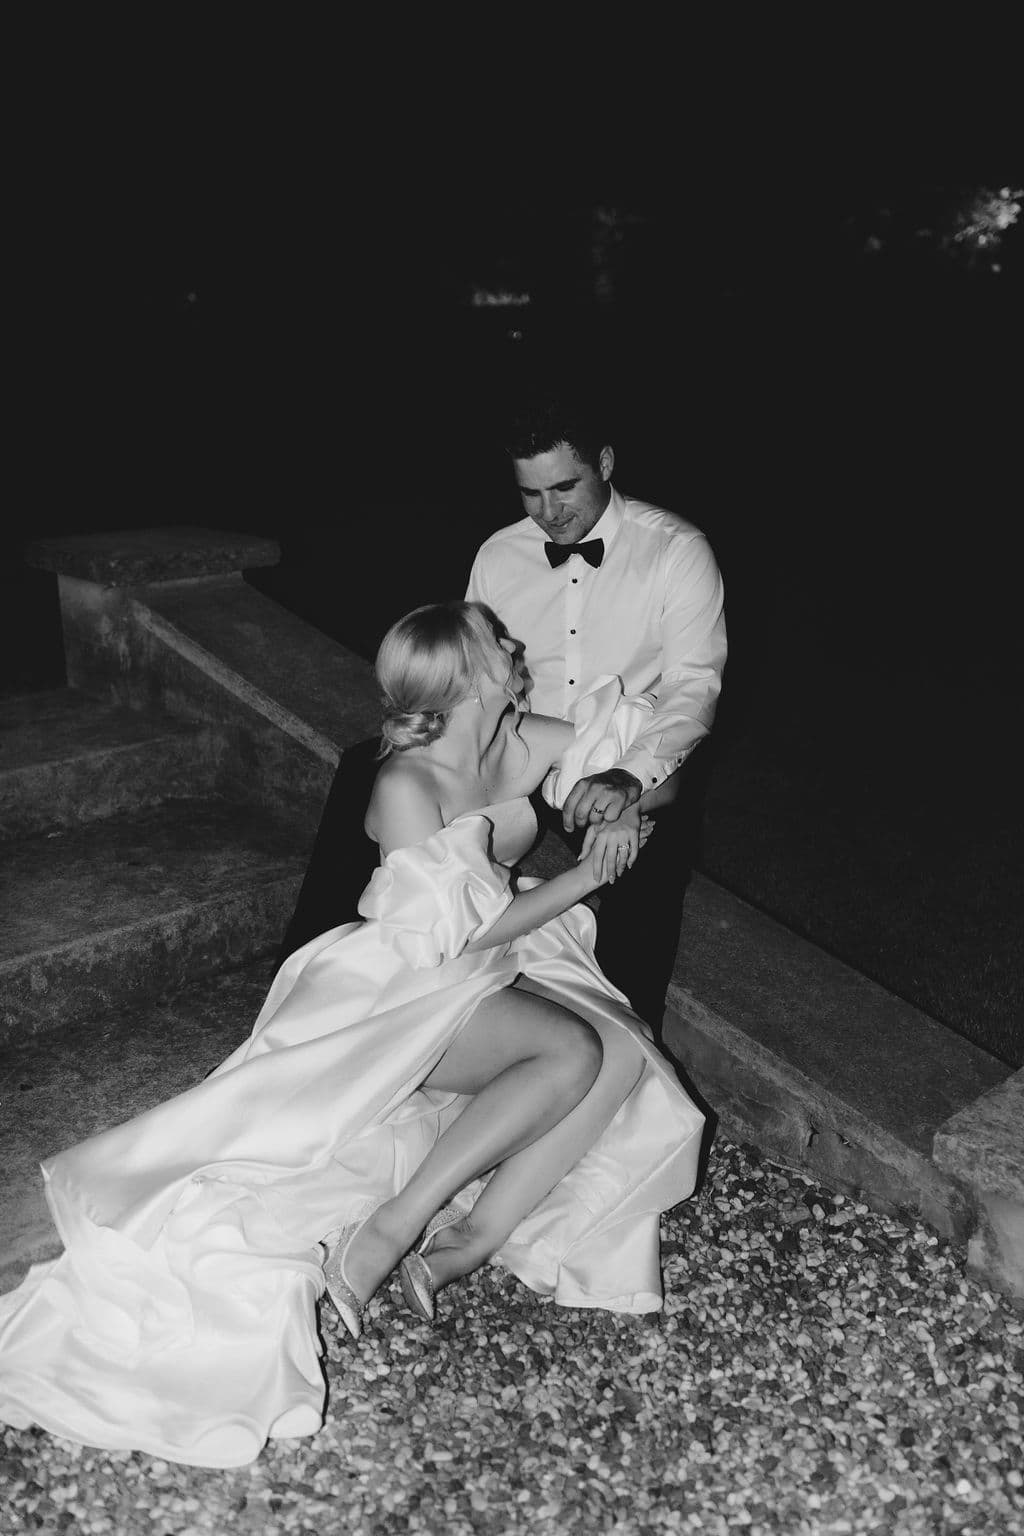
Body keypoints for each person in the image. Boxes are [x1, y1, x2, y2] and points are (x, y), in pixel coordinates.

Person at [0, 602, 705, 1469]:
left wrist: (627, 800)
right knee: (571, 1052)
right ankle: (393, 1229)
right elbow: (456, 937)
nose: (515, 644)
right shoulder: (404, 783)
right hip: (403, 984)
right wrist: (586, 876)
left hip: (493, 958)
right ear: (467, 676)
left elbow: (654, 760)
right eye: (497, 641)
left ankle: (462, 1248)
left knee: (626, 1052)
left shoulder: (522, 739)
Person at [465, 394, 728, 1035]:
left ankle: (626, 1055)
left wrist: (629, 780)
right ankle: (327, 1000)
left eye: (564, 487)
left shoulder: (676, 549)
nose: (549, 512)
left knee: (644, 879)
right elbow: (472, 675)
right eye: (530, 494)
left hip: (627, 758)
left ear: (605, 464)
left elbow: (693, 687)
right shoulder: (499, 555)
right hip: (525, 758)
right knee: (371, 773)